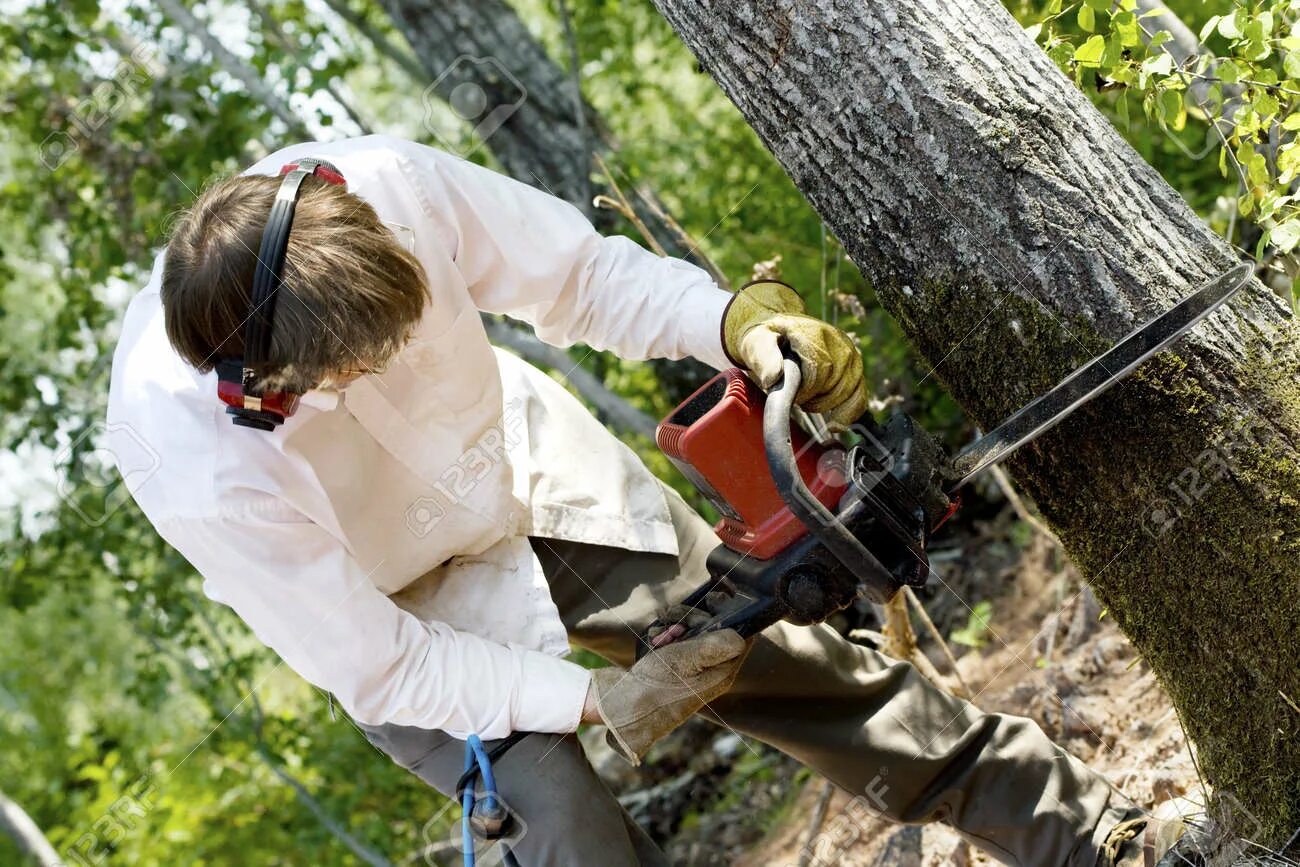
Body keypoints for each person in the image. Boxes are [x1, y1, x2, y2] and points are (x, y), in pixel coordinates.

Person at [107, 134, 1195, 866]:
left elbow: (575, 280)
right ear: (258, 384)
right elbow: (382, 661)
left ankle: (1088, 838)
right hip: (404, 617)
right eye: (345, 379)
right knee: (569, 832)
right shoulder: (199, 460)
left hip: (529, 480)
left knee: (797, 675)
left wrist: (732, 325)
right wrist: (593, 703)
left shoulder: (395, 182)